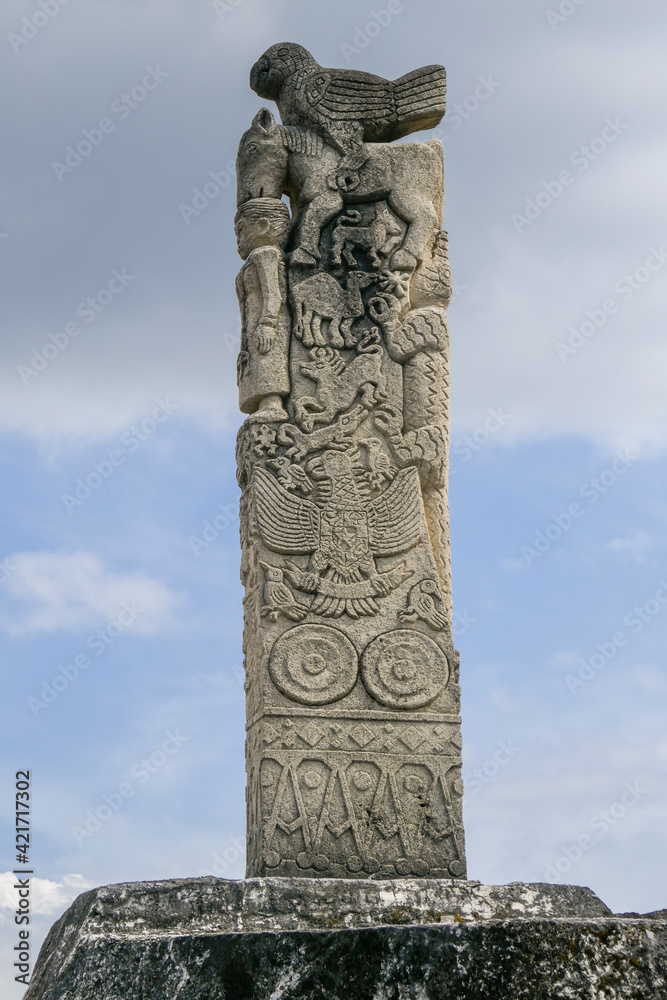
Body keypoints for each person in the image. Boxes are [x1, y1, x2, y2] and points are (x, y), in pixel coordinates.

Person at [234, 197, 291, 420]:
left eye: (241, 231)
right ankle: (262, 402)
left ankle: (273, 402)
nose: (238, 240)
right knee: (254, 360)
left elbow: (274, 293)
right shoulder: (253, 259)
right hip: (253, 322)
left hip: (270, 320)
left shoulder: (265, 254)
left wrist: (268, 323)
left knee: (268, 357)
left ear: (263, 226)